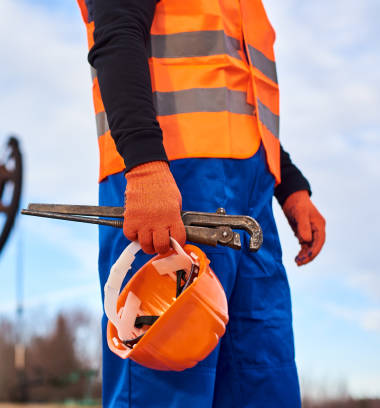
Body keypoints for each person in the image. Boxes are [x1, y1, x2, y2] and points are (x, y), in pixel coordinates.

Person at [75, 0, 327, 407]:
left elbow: (239, 100)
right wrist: (144, 165)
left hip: (252, 196)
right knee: (163, 390)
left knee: (264, 379)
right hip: (170, 183)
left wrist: (291, 186)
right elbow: (117, 32)